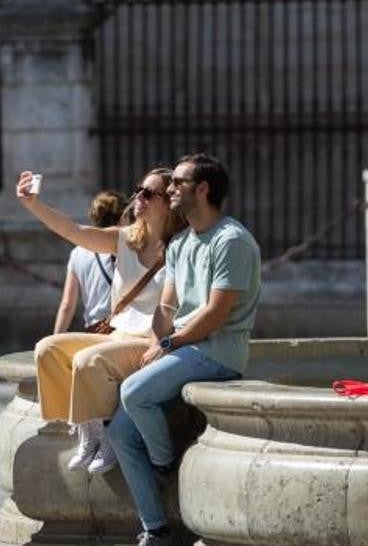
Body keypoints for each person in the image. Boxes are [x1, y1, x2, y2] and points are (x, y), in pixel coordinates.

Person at [106, 153, 261, 546]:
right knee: (121, 432)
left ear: (203, 189)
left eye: (177, 182)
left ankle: (164, 465)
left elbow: (215, 314)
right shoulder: (179, 244)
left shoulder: (232, 240)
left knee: (133, 392)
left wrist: (169, 344)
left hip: (219, 352)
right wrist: (158, 339)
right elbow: (167, 307)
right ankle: (155, 529)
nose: (170, 189)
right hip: (185, 349)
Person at [18, 170, 184, 474]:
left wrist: (162, 343)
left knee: (88, 360)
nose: (139, 198)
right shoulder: (125, 239)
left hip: (147, 340)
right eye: (138, 190)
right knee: (47, 349)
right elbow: (74, 231)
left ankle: (109, 434)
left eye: (149, 193)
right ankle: (89, 430)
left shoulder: (180, 248)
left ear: (167, 203)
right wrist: (33, 205)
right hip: (117, 333)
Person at [53, 190, 127, 335]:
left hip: (94, 330)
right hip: (122, 329)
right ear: (122, 216)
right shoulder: (124, 246)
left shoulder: (77, 253)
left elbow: (67, 305)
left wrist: (55, 339)